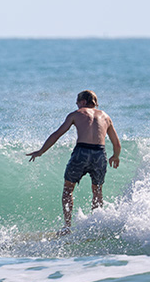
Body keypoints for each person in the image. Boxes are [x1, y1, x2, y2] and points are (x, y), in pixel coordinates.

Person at [27, 90, 121, 234]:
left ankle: (67, 227)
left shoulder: (76, 114)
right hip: (99, 153)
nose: (77, 106)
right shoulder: (106, 116)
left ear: (83, 102)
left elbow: (57, 134)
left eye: (77, 103)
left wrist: (41, 151)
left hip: (81, 152)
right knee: (97, 190)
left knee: (68, 189)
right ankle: (97, 227)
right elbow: (116, 143)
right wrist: (115, 156)